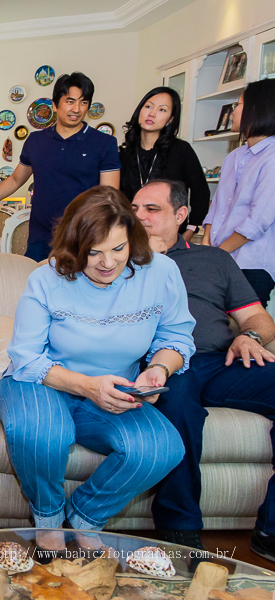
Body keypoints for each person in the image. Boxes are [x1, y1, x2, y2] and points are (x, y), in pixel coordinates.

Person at [0, 186, 193, 558]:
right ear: (74, 248)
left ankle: (85, 516)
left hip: (111, 390)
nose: (107, 263)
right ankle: (48, 518)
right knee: (42, 431)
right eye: (93, 253)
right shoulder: (47, 278)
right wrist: (87, 386)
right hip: (42, 382)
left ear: (132, 238)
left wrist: (159, 367)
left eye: (118, 249)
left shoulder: (162, 272)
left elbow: (176, 335)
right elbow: (26, 357)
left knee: (162, 448)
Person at [133, 179, 275, 560]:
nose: (139, 216)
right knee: (177, 405)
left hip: (220, 359)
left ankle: (271, 528)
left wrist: (251, 338)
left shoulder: (213, 259)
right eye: (135, 209)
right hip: (161, 363)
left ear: (181, 216)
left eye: (152, 209)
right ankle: (179, 529)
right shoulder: (116, 257)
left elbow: (259, 319)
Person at [0, 73, 120, 262]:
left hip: (84, 238)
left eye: (83, 102)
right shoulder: (35, 140)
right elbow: (15, 180)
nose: (76, 109)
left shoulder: (104, 143)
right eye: (70, 101)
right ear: (55, 105)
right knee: (34, 288)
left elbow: (109, 195)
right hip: (40, 239)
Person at [203, 79, 275, 308]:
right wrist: (207, 244)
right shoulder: (233, 156)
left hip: (251, 263)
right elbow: (217, 207)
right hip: (219, 258)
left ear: (258, 109)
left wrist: (218, 254)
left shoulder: (272, 156)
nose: (233, 111)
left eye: (239, 104)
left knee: (246, 331)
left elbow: (259, 219)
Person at [119, 87, 209, 240]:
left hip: (169, 238)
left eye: (162, 110)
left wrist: (191, 229)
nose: (152, 113)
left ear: (171, 119)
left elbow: (201, 192)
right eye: (148, 106)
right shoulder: (123, 155)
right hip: (130, 235)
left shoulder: (181, 150)